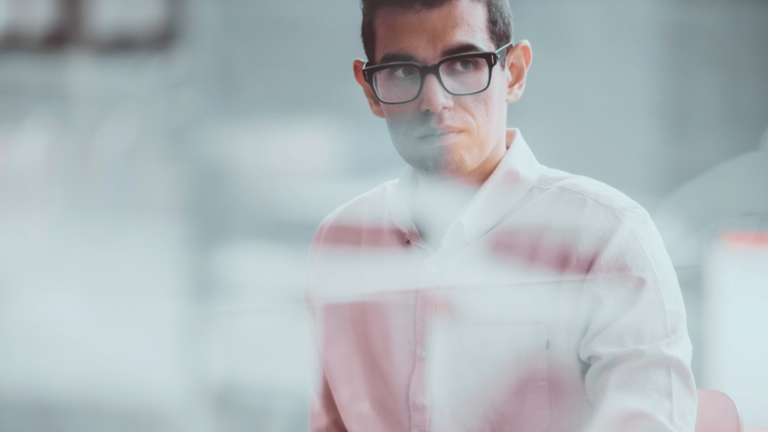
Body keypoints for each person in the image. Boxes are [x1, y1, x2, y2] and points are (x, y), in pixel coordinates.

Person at [304, 0, 697, 431]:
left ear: (514, 72)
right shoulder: (341, 239)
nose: (434, 101)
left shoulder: (607, 236)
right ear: (370, 90)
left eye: (464, 64)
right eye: (401, 72)